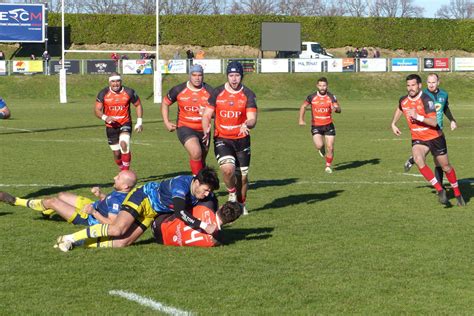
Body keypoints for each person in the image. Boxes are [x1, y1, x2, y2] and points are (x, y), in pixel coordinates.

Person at [54, 167, 220, 252]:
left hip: (153, 211)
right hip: (143, 198)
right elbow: (179, 212)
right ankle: (68, 238)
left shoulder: (201, 192)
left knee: (122, 243)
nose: (206, 194)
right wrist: (205, 227)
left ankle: (81, 242)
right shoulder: (181, 186)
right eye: (205, 189)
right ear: (196, 182)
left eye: (209, 191)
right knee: (118, 229)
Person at [391, 74, 465, 206]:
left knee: (446, 167)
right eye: (408, 85)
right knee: (419, 159)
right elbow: (400, 108)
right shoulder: (403, 100)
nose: (410, 88)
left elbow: (434, 122)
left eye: (413, 85)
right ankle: (440, 189)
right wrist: (393, 123)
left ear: (419, 85)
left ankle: (457, 193)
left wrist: (418, 117)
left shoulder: (427, 99)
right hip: (419, 139)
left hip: (435, 137)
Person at [202, 61, 258, 215]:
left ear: (242, 76)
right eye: (231, 75)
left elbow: (252, 118)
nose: (234, 79)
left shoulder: (248, 94)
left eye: (237, 75)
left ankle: (241, 203)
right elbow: (207, 114)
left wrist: (248, 123)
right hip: (222, 138)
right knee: (227, 170)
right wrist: (206, 127)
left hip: (242, 140)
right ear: (227, 76)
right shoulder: (217, 92)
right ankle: (232, 193)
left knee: (243, 178)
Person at [0, 171, 136, 225]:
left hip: (88, 217)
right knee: (62, 195)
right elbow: (110, 202)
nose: (114, 177)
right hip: (92, 205)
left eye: (117, 178)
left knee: (52, 201)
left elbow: (112, 224)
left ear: (125, 186)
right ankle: (47, 210)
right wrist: (101, 196)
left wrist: (93, 213)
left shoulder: (118, 201)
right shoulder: (121, 193)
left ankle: (17, 201)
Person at [404, 73, 458, 188]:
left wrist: (452, 120)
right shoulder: (423, 95)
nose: (431, 85)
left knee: (438, 160)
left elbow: (445, 108)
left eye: (433, 82)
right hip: (425, 130)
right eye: (429, 82)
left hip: (438, 128)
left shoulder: (444, 94)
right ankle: (439, 187)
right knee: (433, 156)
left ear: (438, 82)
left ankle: (439, 186)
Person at [161, 64, 214, 175]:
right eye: (194, 75)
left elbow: (218, 113)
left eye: (200, 75)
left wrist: (208, 114)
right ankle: (197, 183)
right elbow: (165, 103)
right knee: (196, 152)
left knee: (201, 160)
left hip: (204, 130)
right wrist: (166, 122)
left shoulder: (210, 91)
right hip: (185, 127)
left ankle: (203, 185)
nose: (197, 78)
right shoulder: (178, 89)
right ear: (190, 76)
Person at [95, 72, 143, 171]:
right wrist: (105, 117)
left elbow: (138, 105)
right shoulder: (103, 93)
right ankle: (122, 168)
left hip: (125, 122)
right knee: (117, 154)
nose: (115, 84)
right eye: (113, 81)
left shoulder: (129, 92)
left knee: (124, 144)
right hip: (111, 126)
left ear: (121, 81)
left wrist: (139, 121)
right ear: (109, 82)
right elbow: (97, 110)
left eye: (117, 81)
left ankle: (125, 173)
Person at [151, 199, 243, 247]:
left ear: (221, 206)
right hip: (162, 241)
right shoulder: (218, 240)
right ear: (232, 221)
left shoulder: (207, 204)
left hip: (159, 223)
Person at [299, 77, 341, 174]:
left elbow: (339, 109)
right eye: (320, 85)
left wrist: (336, 109)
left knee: (330, 147)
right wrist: (301, 119)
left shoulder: (331, 97)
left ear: (327, 86)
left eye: (324, 85)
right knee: (319, 145)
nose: (322, 87)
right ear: (317, 86)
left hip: (329, 125)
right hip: (316, 126)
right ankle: (321, 149)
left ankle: (328, 166)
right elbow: (303, 106)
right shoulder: (311, 97)